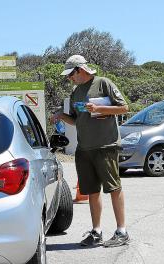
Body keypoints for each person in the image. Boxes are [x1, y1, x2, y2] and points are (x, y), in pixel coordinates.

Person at [52, 54, 130, 247]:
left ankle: (122, 231)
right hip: (84, 148)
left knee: (113, 187)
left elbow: (124, 108)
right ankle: (96, 232)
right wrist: (61, 116)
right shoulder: (76, 92)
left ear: (81, 70)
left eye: (71, 74)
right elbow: (76, 120)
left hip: (106, 145)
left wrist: (99, 108)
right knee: (91, 191)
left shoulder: (103, 83)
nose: (69, 78)